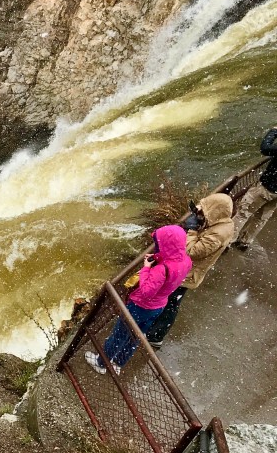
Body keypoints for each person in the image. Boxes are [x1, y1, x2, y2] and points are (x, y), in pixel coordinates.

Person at [85, 224, 192, 375]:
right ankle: (118, 363)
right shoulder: (186, 261)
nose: (156, 245)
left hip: (140, 306)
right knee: (136, 336)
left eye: (159, 243)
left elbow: (147, 291)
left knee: (120, 334)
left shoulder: (161, 270)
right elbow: (171, 265)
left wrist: (146, 269)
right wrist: (157, 257)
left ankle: (101, 363)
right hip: (159, 306)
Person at [144, 193, 235, 347]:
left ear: (213, 212)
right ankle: (154, 330)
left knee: (170, 304)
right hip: (185, 271)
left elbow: (191, 250)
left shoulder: (218, 234)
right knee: (169, 301)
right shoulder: (219, 224)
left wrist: (191, 230)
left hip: (187, 275)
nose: (197, 215)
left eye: (201, 213)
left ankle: (156, 335)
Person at [232, 126, 277, 250]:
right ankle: (245, 242)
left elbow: (265, 148)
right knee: (262, 217)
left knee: (243, 212)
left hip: (266, 187)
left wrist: (274, 131)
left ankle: (229, 241)